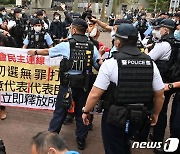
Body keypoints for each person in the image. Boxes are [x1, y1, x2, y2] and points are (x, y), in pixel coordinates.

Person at [82, 23, 165, 154]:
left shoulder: (110, 63)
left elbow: (95, 94)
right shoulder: (150, 63)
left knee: (113, 148)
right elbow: (160, 95)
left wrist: (86, 111)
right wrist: (156, 114)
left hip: (115, 116)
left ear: (118, 42)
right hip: (140, 116)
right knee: (126, 143)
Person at [28, 18, 100, 150]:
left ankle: (50, 139)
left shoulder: (66, 45)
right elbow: (97, 64)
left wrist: (35, 52)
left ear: (73, 30)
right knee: (82, 112)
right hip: (84, 86)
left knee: (60, 112)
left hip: (67, 86)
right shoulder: (92, 46)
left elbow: (48, 52)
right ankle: (81, 140)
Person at [145, 19, 176, 154]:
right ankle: (157, 137)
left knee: (155, 110)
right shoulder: (176, 43)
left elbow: (149, 59)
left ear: (166, 30)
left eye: (160, 28)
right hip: (171, 82)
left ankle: (152, 138)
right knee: (163, 112)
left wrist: (146, 50)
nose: (158, 30)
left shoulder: (163, 45)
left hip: (160, 83)